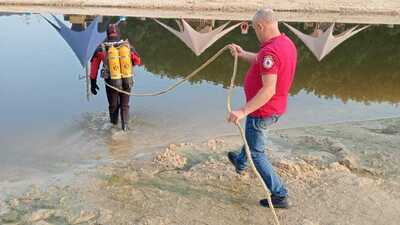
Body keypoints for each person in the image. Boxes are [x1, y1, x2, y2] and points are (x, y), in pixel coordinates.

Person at [227, 8, 297, 208]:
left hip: (262, 111)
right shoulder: (285, 43)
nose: (255, 33)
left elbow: (268, 90)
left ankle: (280, 194)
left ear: (260, 26)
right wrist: (242, 54)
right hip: (275, 108)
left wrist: (242, 111)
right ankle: (240, 161)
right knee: (252, 140)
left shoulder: (270, 51)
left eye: (255, 29)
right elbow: (262, 60)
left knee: (257, 153)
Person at [90, 24, 141, 131]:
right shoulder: (127, 47)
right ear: (119, 33)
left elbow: (94, 66)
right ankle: (125, 128)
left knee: (113, 105)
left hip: (111, 82)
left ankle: (113, 127)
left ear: (107, 34)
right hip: (127, 80)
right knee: (125, 105)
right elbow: (138, 61)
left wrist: (93, 83)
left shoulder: (101, 48)